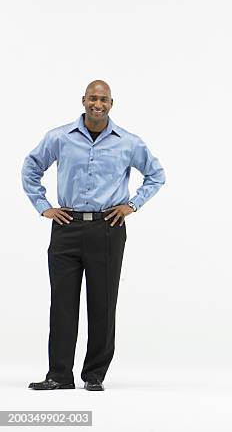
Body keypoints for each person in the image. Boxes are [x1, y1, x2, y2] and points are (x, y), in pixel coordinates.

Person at [21, 80, 165, 391]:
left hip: (108, 228)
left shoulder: (129, 142)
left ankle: (94, 374)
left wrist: (132, 205)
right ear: (83, 100)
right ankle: (59, 375)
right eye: (92, 98)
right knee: (62, 303)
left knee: (102, 302)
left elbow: (156, 175)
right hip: (66, 227)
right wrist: (44, 206)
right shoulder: (59, 137)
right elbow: (31, 166)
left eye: (103, 99)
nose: (97, 104)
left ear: (111, 103)